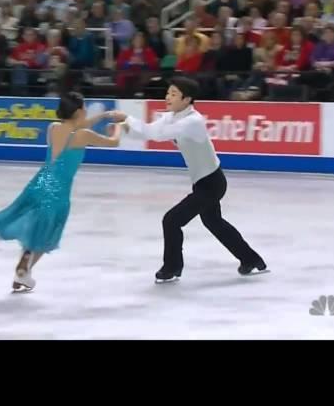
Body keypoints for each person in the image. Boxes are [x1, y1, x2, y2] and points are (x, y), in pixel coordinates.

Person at [111, 77, 266, 282]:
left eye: (174, 94)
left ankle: (172, 267)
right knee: (214, 222)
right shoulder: (171, 118)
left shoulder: (193, 121)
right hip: (202, 182)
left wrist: (126, 118)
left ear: (187, 99)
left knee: (172, 220)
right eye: (168, 92)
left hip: (212, 182)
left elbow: (155, 134)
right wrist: (124, 130)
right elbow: (148, 132)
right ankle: (251, 259)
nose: (168, 97)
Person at [0, 92, 123, 292]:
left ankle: (24, 268)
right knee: (47, 234)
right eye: (84, 108)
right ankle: (25, 270)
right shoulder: (83, 135)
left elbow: (76, 126)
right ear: (78, 111)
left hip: (39, 183)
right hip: (58, 191)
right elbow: (114, 142)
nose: (86, 111)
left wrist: (103, 116)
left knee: (36, 227)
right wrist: (118, 127)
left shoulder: (53, 128)